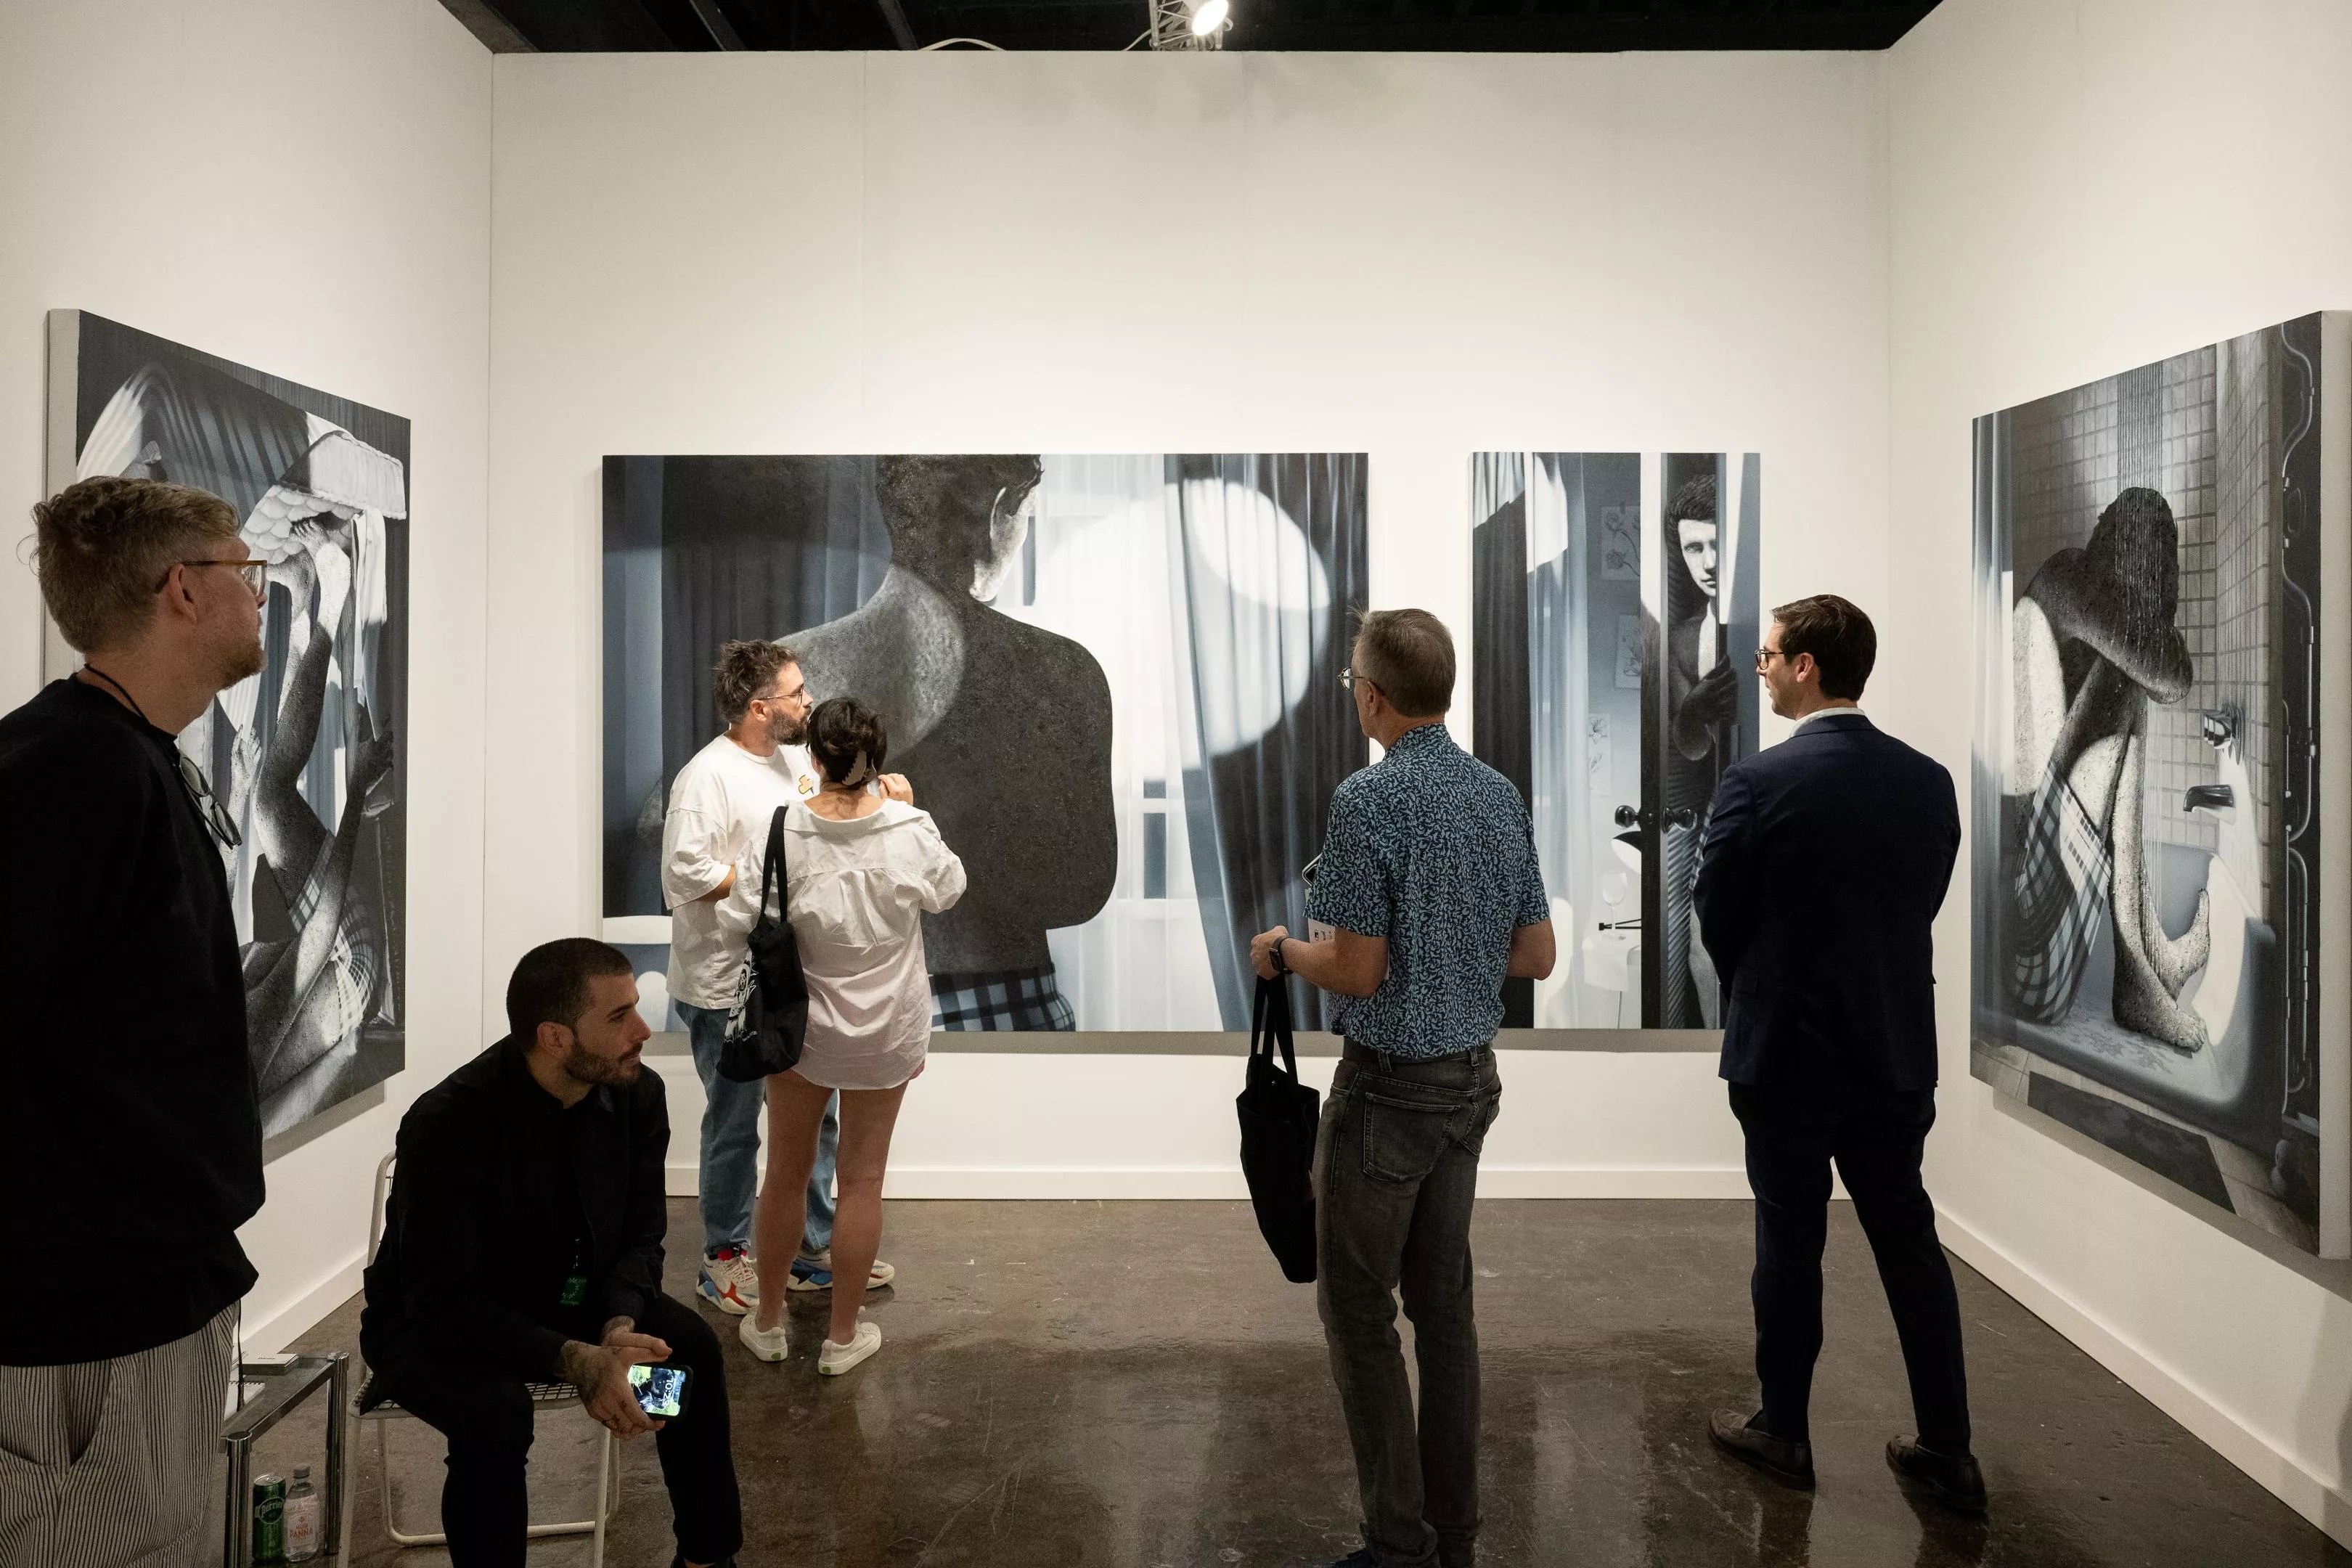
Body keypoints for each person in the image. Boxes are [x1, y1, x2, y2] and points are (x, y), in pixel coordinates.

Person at [0, 477, 269, 1567]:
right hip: (87, 1312)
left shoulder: (121, 758)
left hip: (138, 1289)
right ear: (184, 592)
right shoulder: (70, 772)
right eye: (248, 574)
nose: (263, 597)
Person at [1250, 609, 1554, 1568]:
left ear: (1375, 696)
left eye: (1353, 683)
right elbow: (1537, 955)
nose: (1354, 696)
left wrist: (1283, 951)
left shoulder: (1367, 801)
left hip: (1386, 1097)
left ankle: (1395, 1544)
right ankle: (1452, 1536)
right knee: (1444, 1310)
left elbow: (1357, 971)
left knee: (1357, 1315)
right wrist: (1458, 950)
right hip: (1469, 1086)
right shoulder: (1498, 794)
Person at [1694, 594, 1983, 1514]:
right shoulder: (1927, 781)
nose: (1765, 668)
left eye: (1773, 655)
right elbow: (1921, 899)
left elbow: (1714, 911)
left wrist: (1762, 978)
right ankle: (1949, 1449)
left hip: (1784, 1055)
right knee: (1910, 1242)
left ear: (1810, 666)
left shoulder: (1758, 782)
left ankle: (1784, 1430)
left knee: (1790, 1240)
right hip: (1893, 1052)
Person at [359, 939, 743, 1568]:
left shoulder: (635, 1096)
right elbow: (442, 1301)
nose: (644, 1031)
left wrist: (618, 1324)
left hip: (576, 1302)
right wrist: (574, 1360)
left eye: (636, 1009)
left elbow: (643, 1238)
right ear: (556, 1037)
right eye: (618, 1017)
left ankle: (706, 1557)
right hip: (437, 1327)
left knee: (686, 1353)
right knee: (496, 1414)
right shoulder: (449, 1121)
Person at [790, 455, 1114, 1031]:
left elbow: (714, 835)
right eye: (1027, 517)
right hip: (999, 994)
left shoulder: (793, 669)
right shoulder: (1063, 671)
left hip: (832, 995)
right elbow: (1081, 889)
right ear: (1001, 510)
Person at [661, 640, 899, 1317]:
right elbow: (684, 873)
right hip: (724, 984)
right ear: (762, 707)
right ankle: (725, 1256)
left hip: (790, 981)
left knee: (814, 1119)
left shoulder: (798, 762)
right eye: (797, 693)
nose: (808, 701)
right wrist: (772, 888)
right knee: (735, 1123)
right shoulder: (706, 778)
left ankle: (807, 1250)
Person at [740, 698, 966, 1376]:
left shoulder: (783, 828)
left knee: (783, 1174)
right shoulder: (910, 827)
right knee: (862, 1181)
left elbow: (742, 913)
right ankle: (842, 1337)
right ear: (878, 761)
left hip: (800, 1032)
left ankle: (771, 1321)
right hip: (886, 1032)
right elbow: (949, 890)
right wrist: (908, 805)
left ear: (813, 758)